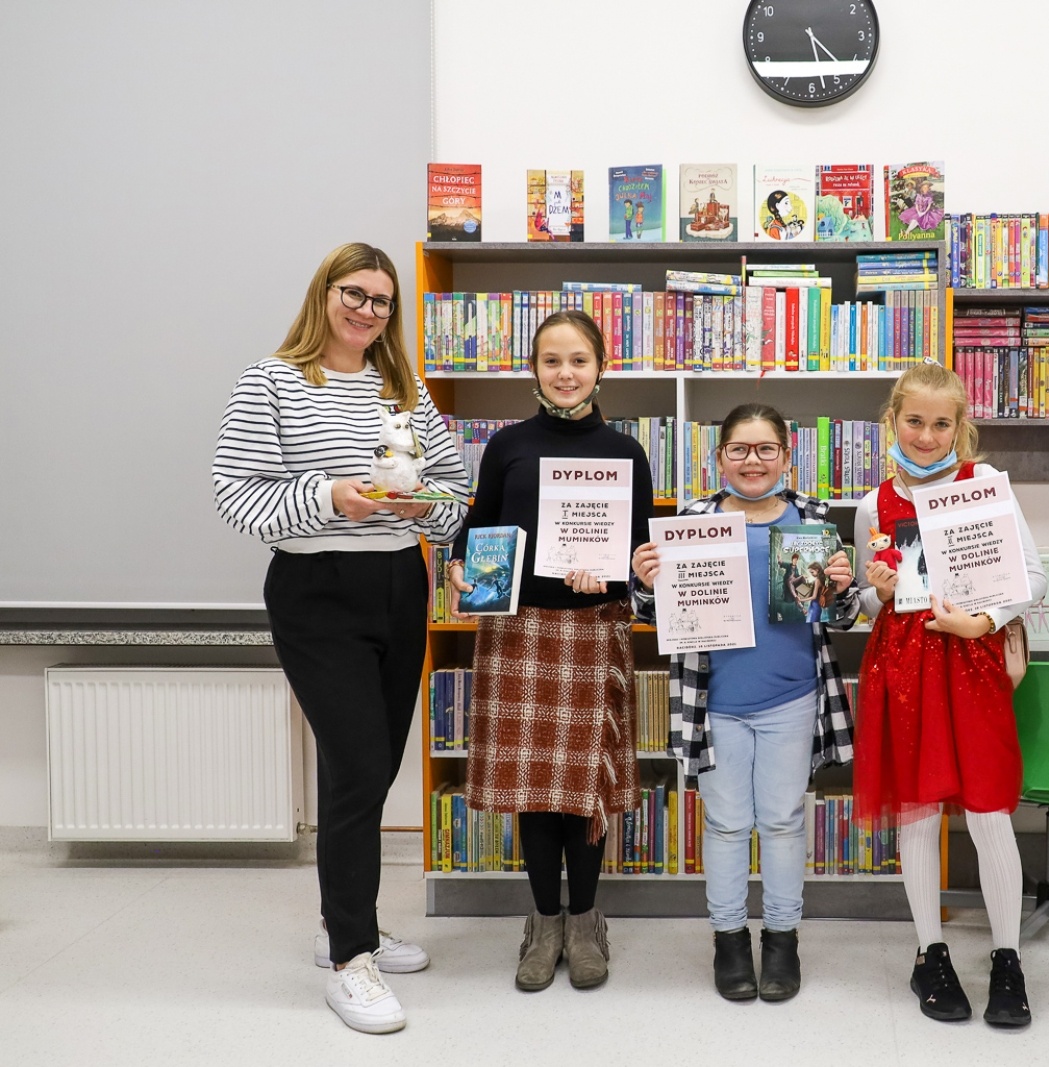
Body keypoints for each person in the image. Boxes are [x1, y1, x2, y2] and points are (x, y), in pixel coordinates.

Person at [212, 242, 469, 1034]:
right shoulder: (274, 380)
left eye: (383, 301)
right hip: (316, 590)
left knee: (376, 762)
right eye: (354, 293)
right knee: (356, 761)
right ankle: (351, 958)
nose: (368, 310)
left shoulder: (403, 388)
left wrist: (423, 507)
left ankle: (341, 922)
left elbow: (456, 491)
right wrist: (331, 496)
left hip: (399, 585)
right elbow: (235, 493)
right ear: (324, 293)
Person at [446, 309, 653, 994]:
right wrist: (458, 564)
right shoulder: (506, 445)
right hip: (520, 633)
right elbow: (479, 530)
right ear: (533, 368)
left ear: (601, 366)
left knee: (585, 791)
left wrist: (622, 571)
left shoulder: (627, 452)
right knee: (537, 793)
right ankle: (542, 921)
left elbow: (641, 553)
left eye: (579, 360)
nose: (565, 373)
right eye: (551, 360)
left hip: (595, 626)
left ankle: (587, 920)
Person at [630, 403, 857, 1002]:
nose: (752, 461)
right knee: (727, 824)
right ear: (719, 457)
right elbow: (655, 616)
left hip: (791, 698)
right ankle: (729, 941)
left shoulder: (811, 518)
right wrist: (645, 583)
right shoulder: (692, 519)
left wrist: (842, 585)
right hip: (716, 703)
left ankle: (782, 940)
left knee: (782, 823)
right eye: (739, 449)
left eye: (765, 450)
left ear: (787, 455)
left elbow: (841, 614)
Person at [852, 363, 1047, 1029]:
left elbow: (1033, 573)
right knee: (917, 812)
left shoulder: (986, 484)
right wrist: (874, 587)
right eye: (915, 421)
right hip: (903, 670)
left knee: (989, 811)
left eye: (942, 423)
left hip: (970, 658)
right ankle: (929, 952)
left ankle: (1007, 956)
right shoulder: (873, 503)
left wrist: (984, 621)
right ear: (893, 420)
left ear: (960, 425)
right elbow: (860, 596)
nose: (928, 434)